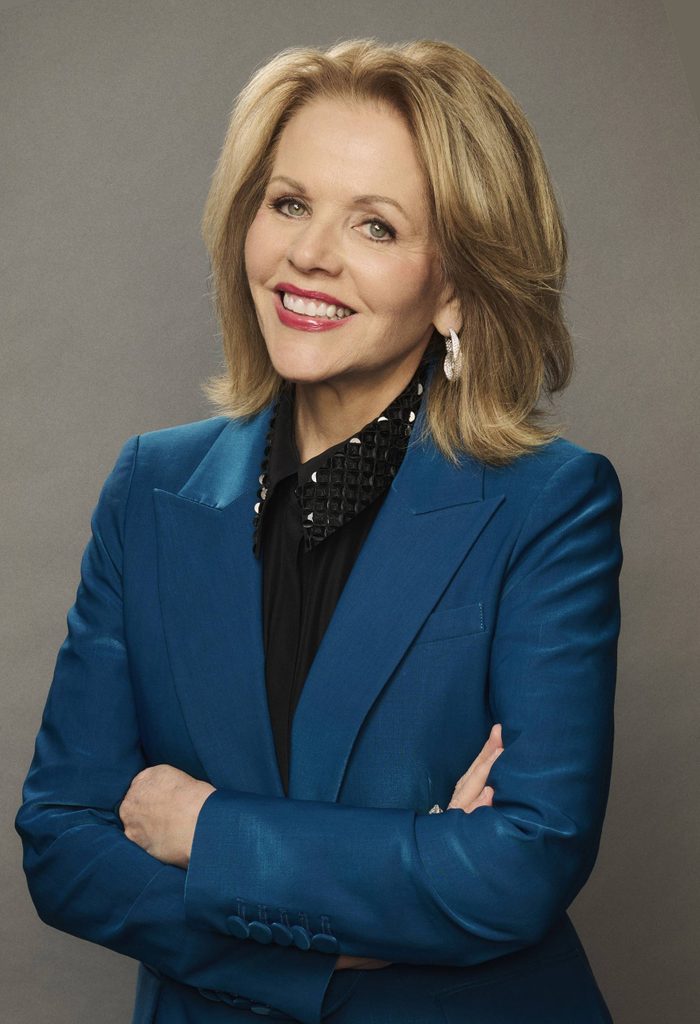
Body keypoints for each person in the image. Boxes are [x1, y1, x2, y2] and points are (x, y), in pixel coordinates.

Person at [15, 37, 623, 1024]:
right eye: (289, 203)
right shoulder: (149, 486)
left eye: (375, 226)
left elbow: (518, 866)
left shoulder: (546, 503)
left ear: (458, 285)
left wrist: (204, 828)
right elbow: (64, 844)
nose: (307, 254)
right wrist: (373, 905)